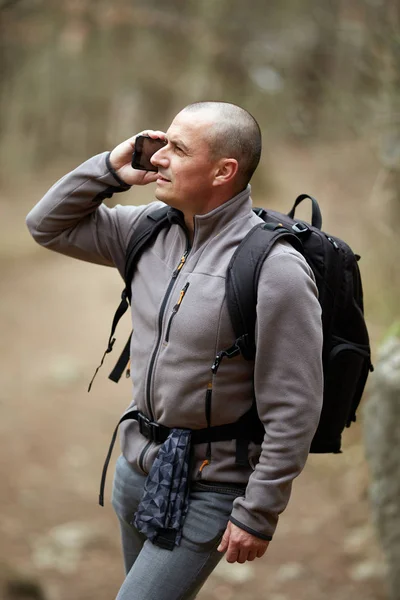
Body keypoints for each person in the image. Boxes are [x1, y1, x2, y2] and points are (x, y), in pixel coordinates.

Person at [26, 101, 323, 600]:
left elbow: (294, 405)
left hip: (211, 486)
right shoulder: (148, 228)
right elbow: (46, 225)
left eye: (177, 149)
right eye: (160, 143)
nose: (158, 158)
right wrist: (108, 169)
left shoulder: (275, 269)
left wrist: (260, 509)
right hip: (136, 468)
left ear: (224, 170)